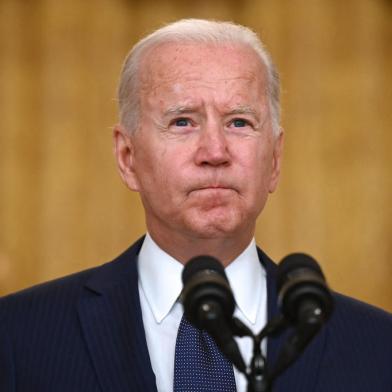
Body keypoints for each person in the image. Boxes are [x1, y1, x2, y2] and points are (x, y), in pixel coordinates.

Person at [0, 18, 391, 392]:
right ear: (127, 157)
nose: (215, 152)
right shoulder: (18, 336)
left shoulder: (377, 346)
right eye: (183, 122)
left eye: (239, 122)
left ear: (273, 160)